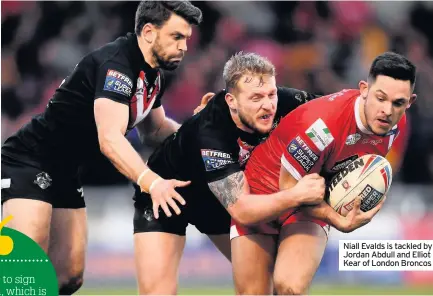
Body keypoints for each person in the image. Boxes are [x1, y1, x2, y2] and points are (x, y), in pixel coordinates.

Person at [1, 1, 202, 294]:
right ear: (148, 32)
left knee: (68, 277)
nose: (184, 46)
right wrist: (152, 182)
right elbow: (109, 139)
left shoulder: (151, 74)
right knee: (24, 270)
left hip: (66, 171)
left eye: (186, 38)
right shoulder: (118, 66)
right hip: (28, 160)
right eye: (176, 37)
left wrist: (200, 134)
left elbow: (156, 130)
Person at [132, 52, 374, 294]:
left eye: (271, 94)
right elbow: (242, 210)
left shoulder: (290, 102)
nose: (268, 105)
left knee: (266, 288)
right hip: (167, 194)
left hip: (219, 200)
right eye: (256, 97)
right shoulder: (211, 132)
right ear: (231, 101)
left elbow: (337, 113)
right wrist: (298, 195)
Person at [230, 52, 415, 295]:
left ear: (409, 102)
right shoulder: (322, 126)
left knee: (290, 288)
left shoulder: (395, 126)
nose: (387, 111)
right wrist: (337, 219)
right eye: (380, 98)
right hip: (264, 192)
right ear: (364, 89)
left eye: (398, 103)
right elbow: (290, 192)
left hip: (310, 202)